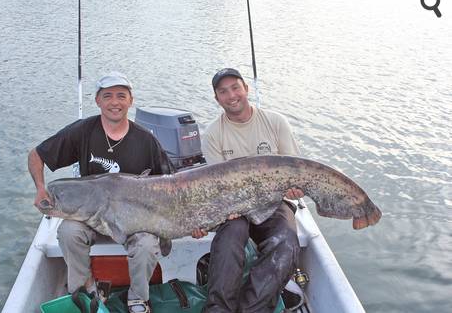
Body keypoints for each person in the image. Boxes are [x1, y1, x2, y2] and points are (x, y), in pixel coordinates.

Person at [28, 71, 175, 313]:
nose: (115, 102)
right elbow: (36, 155)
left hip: (135, 221)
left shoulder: (146, 141)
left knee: (147, 245)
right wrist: (41, 189)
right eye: (107, 96)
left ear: (131, 100)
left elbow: (171, 185)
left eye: (121, 95)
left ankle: (138, 298)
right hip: (91, 217)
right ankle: (87, 288)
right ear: (98, 101)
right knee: (68, 231)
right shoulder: (82, 131)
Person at [195, 68, 304, 313]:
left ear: (246, 89)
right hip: (234, 209)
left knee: (286, 241)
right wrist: (227, 209)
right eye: (223, 91)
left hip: (274, 203)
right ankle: (218, 309)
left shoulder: (276, 122)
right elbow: (216, 188)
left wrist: (296, 188)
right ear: (216, 99)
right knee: (231, 236)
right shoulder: (213, 134)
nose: (231, 95)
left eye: (235, 88)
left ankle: (253, 308)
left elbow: (295, 170)